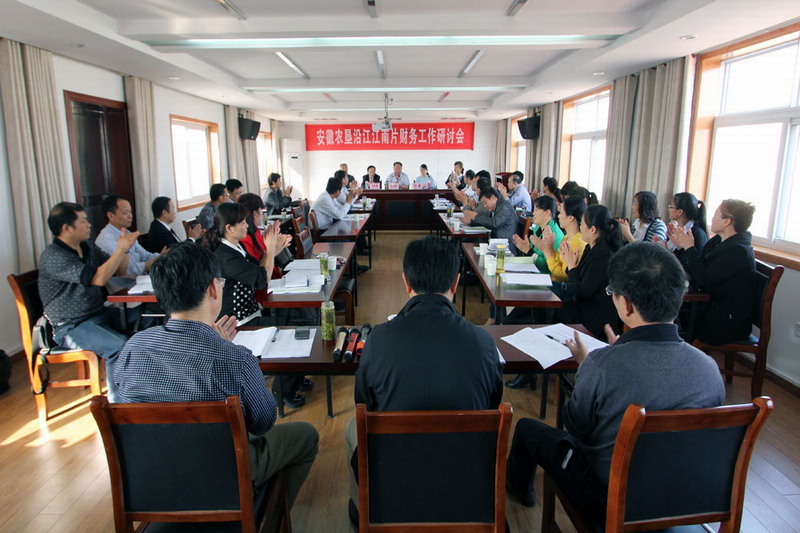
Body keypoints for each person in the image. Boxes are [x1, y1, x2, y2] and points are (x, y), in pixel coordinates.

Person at [505, 243, 725, 520]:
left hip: (611, 498)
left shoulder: (603, 365)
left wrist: (588, 368)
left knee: (528, 429)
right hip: (685, 497)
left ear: (627, 304)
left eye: (613, 293)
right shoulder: (709, 369)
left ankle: (519, 490)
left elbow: (575, 425)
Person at [112, 242, 318, 522]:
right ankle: (269, 521)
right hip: (221, 475)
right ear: (213, 288)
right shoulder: (233, 357)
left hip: (152, 475)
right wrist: (223, 349)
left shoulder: (133, 348)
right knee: (306, 436)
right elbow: (263, 422)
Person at [345, 236, 503, 521]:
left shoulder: (378, 340)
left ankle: (365, 507)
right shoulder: (483, 342)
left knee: (350, 428)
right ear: (455, 283)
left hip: (396, 476)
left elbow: (364, 404)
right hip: (466, 479)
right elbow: (493, 403)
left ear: (406, 282)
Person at [39, 202, 138, 398]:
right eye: (83, 221)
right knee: (118, 347)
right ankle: (119, 404)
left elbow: (119, 269)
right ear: (67, 228)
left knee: (149, 318)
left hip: (99, 314)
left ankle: (148, 386)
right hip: (71, 326)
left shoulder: (88, 247)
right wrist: (119, 250)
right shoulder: (53, 256)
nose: (89, 224)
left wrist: (125, 249)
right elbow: (98, 279)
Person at [669, 199, 757, 346]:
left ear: (727, 221)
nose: (712, 219)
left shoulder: (739, 251)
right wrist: (682, 247)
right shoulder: (717, 241)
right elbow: (697, 269)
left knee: (670, 315)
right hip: (709, 306)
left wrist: (689, 248)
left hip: (725, 320)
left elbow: (704, 279)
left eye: (716, 214)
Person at [555, 205, 623, 338]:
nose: (580, 228)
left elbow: (582, 292)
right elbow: (578, 279)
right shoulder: (591, 247)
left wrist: (572, 265)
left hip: (596, 317)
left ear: (592, 229)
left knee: (554, 310)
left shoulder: (604, 256)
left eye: (581, 224)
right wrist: (571, 265)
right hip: (585, 305)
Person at [95, 195, 160, 277]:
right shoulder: (106, 238)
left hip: (139, 279)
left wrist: (162, 257)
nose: (130, 216)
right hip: (123, 284)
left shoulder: (127, 232)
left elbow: (144, 255)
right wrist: (149, 264)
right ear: (110, 215)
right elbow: (127, 271)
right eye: (125, 213)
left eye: (130, 212)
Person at [513, 196, 564, 274]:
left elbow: (548, 267)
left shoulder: (554, 235)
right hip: (533, 270)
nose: (533, 213)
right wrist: (525, 248)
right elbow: (533, 253)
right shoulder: (537, 228)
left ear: (547, 212)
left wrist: (528, 251)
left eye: (536, 210)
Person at [462, 187, 517, 251]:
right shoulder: (497, 206)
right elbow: (487, 221)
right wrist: (471, 222)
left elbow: (494, 223)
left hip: (505, 247)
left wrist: (476, 216)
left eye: (485, 203)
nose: (484, 206)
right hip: (496, 243)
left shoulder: (505, 207)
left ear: (493, 198)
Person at [664, 192, 708, 271]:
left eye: (671, 207)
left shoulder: (697, 234)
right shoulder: (675, 229)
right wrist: (664, 249)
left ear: (680, 212)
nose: (668, 209)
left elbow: (695, 264)